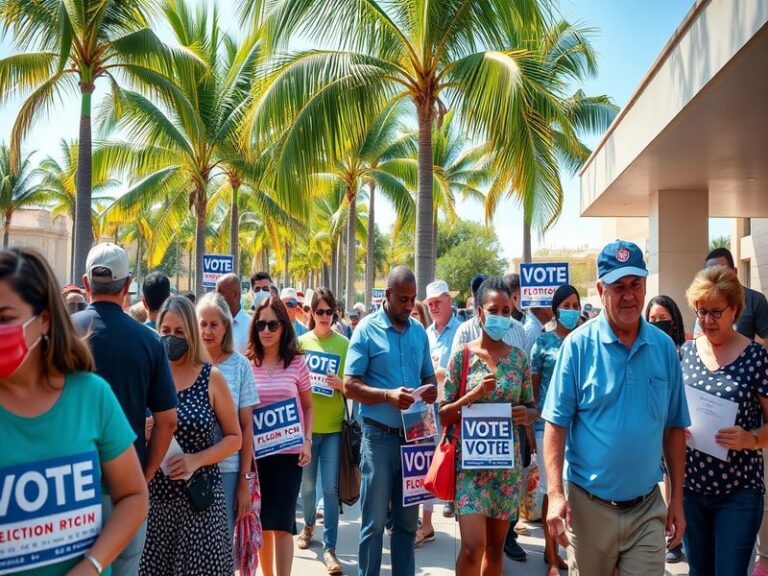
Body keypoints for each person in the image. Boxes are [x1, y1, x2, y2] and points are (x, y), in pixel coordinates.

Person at [542, 239, 690, 576]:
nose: (628, 295)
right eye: (618, 286)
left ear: (645, 285)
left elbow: (674, 427)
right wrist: (554, 494)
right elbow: (555, 424)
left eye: (635, 284)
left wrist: (677, 498)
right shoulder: (577, 347)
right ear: (600, 288)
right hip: (589, 509)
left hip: (647, 510)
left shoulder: (664, 348)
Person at [0, 247, 148, 576]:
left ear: (44, 320)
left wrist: (92, 565)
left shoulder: (91, 396)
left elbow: (134, 495)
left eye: (5, 318)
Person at [73, 242, 178, 576]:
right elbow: (167, 421)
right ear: (128, 285)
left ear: (86, 283)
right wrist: (143, 477)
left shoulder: (59, 336)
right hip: (126, 492)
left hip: (70, 489)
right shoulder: (149, 342)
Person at [438, 277, 537, 576]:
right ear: (479, 312)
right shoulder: (462, 356)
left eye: (508, 311)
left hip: (506, 469)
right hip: (470, 468)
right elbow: (444, 415)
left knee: (495, 549)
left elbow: (533, 406)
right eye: (495, 309)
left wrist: (526, 414)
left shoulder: (519, 359)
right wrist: (473, 396)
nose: (502, 316)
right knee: (472, 547)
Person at [343, 266, 438, 576]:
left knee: (408, 525)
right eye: (403, 299)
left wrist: (431, 389)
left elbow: (426, 374)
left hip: (414, 438)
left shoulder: (418, 332)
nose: (409, 306)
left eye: (412, 300)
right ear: (388, 296)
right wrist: (387, 395)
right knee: (372, 524)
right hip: (378, 439)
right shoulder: (366, 330)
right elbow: (349, 385)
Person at [140, 296, 241, 575]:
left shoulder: (211, 377)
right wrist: (144, 431)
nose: (171, 339)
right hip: (154, 504)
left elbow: (235, 437)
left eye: (179, 332)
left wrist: (195, 460)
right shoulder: (147, 377)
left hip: (199, 504)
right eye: (166, 332)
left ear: (191, 334)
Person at [680, 266, 768, 575]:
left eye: (715, 312)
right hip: (691, 489)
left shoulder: (756, 357)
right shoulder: (686, 353)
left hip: (739, 491)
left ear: (734, 309)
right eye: (701, 312)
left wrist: (750, 439)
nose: (706, 321)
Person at [248, 296, 314, 576]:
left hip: (289, 457)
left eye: (272, 325)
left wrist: (308, 442)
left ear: (283, 327)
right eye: (261, 324)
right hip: (258, 458)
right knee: (263, 523)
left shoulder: (297, 362)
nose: (266, 330)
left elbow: (309, 406)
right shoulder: (247, 362)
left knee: (284, 523)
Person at [196, 292, 259, 537]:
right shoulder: (186, 364)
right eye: (202, 324)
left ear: (226, 327)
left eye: (214, 325)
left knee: (221, 543)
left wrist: (244, 480)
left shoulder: (240, 366)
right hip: (189, 470)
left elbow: (246, 427)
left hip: (228, 470)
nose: (208, 331)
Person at [297, 287, 349, 575]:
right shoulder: (301, 343)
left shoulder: (344, 344)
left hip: (333, 430)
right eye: (320, 311)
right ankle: (307, 525)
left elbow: (354, 382)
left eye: (330, 312)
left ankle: (330, 548)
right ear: (311, 313)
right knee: (307, 488)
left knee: (330, 489)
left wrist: (342, 384)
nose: (325, 316)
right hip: (307, 431)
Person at [530, 284, 581, 575]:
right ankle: (551, 557)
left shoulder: (585, 341)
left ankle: (568, 552)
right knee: (553, 490)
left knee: (574, 492)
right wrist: (531, 433)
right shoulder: (543, 343)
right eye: (567, 305)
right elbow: (534, 391)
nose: (572, 311)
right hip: (546, 427)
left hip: (579, 428)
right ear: (555, 309)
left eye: (576, 306)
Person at [644, 294, 687, 563]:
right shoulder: (650, 351)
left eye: (663, 319)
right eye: (653, 320)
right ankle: (673, 540)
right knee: (670, 476)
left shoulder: (688, 352)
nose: (658, 324)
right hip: (665, 432)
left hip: (698, 435)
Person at [420, 279, 462, 544]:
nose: (434, 307)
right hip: (428, 407)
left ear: (449, 300)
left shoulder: (462, 331)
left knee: (455, 462)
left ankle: (461, 513)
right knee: (428, 462)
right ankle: (426, 524)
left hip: (453, 408)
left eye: (438, 302)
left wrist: (444, 373)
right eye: (430, 303)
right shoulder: (426, 333)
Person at [694, 247, 768, 345]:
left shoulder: (755, 300)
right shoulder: (703, 300)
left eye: (720, 272)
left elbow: (766, 340)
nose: (715, 277)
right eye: (709, 273)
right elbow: (698, 337)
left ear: (734, 272)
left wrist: (745, 352)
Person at [216, 272, 252, 354]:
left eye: (220, 293)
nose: (216, 297)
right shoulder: (213, 323)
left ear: (234, 294)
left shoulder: (250, 326)